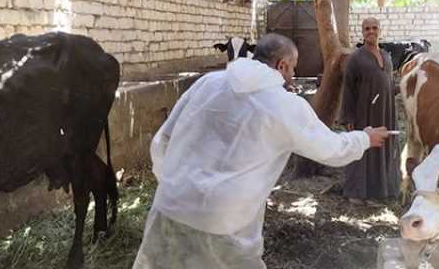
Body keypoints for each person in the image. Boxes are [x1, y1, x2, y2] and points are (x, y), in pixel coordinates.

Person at [132, 33, 389, 269]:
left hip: (169, 206)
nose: (294, 72)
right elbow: (331, 149)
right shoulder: (283, 104)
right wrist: (364, 138)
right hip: (224, 221)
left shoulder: (207, 83)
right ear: (282, 66)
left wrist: (174, 184)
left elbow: (165, 137)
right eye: (294, 66)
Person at [340, 17, 400, 205]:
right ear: (362, 31)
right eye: (367, 28)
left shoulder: (387, 56)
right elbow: (348, 88)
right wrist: (348, 116)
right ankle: (357, 193)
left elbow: (389, 83)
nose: (371, 31)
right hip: (364, 114)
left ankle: (379, 192)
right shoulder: (355, 58)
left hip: (386, 112)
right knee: (364, 150)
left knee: (382, 149)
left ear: (379, 30)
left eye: (374, 28)